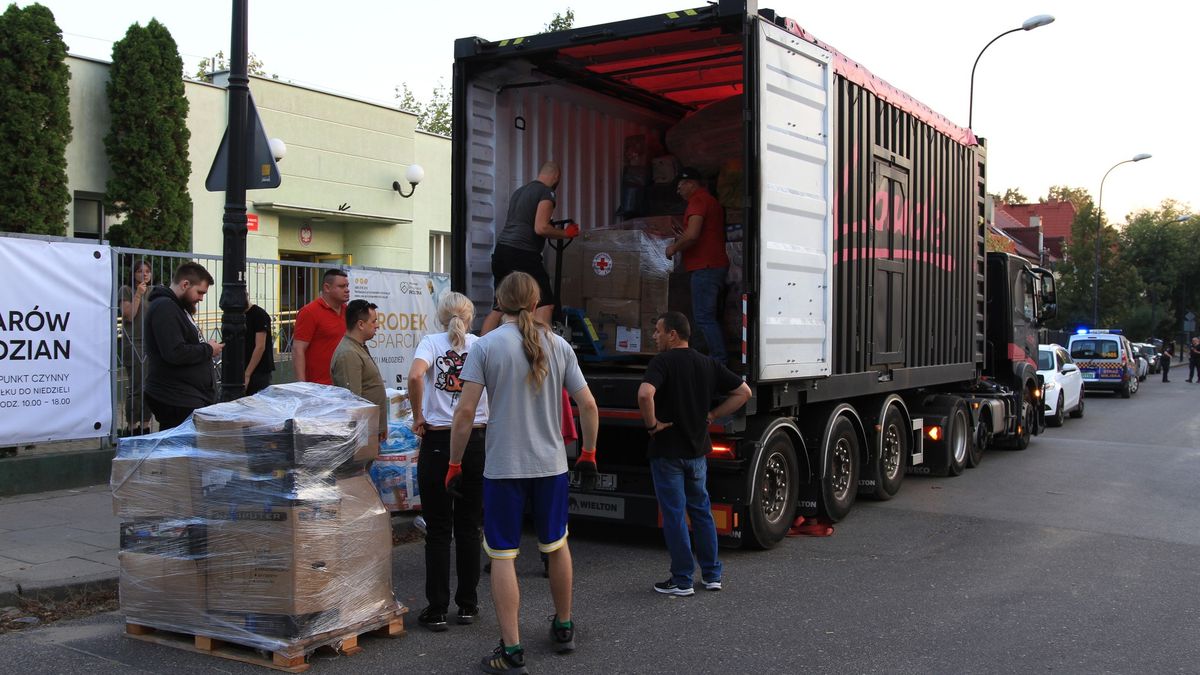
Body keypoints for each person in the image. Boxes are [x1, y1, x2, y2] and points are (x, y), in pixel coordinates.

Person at [448, 271, 599, 674]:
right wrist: (587, 452)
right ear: (535, 303)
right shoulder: (560, 345)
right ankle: (563, 627)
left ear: (501, 303)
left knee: (502, 555)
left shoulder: (486, 347)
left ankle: (512, 650)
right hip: (551, 466)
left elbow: (464, 413)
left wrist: (454, 462)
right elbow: (588, 406)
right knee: (556, 544)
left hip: (503, 467)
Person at [637, 311, 751, 596]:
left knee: (674, 515)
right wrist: (713, 414)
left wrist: (652, 426)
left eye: (658, 331)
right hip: (697, 452)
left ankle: (682, 579)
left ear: (673, 334)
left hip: (667, 452)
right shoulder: (708, 363)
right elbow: (743, 392)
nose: (655, 336)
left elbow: (644, 394)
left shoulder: (661, 362)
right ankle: (712, 574)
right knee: (702, 512)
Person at [408, 292, 489, 632]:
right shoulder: (482, 345)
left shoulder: (431, 342)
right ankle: (468, 605)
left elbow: (415, 377)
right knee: (469, 527)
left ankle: (437, 608)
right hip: (476, 438)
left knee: (439, 529)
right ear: (470, 317)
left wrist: (417, 416)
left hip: (439, 439)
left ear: (441, 316)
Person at [481, 161, 579, 334]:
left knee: (500, 306)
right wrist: (566, 234)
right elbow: (540, 227)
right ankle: (543, 352)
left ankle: (481, 351)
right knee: (545, 303)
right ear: (556, 176)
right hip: (522, 253)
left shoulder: (519, 192)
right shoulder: (546, 192)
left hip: (502, 251)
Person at [143, 262, 223, 430]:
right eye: (200, 292)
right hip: (176, 397)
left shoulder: (177, 308)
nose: (201, 298)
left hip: (184, 396)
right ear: (185, 284)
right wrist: (208, 349)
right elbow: (175, 352)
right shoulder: (165, 307)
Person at [666, 167, 729, 364]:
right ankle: (709, 358)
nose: (678, 191)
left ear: (691, 184)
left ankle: (718, 360)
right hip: (713, 265)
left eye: (680, 186)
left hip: (706, 267)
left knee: (703, 317)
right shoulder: (711, 201)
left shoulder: (698, 201)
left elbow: (692, 234)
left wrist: (673, 248)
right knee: (707, 316)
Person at [330, 300, 388, 443]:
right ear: (361, 324)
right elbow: (353, 402)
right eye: (373, 321)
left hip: (370, 429)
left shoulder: (357, 347)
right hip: (362, 434)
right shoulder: (348, 353)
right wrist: (363, 440)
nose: (377, 325)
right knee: (361, 466)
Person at [293, 268, 350, 384]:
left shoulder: (348, 311)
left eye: (347, 286)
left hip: (345, 384)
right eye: (341, 286)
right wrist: (302, 385)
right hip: (319, 386)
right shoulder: (309, 312)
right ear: (327, 288)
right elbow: (298, 349)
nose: (347, 290)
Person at [119, 259, 154, 434]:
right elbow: (129, 315)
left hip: (150, 345)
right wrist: (138, 295)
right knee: (136, 386)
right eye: (140, 271)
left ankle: (146, 424)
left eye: (147, 271)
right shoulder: (126, 290)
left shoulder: (154, 292)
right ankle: (132, 426)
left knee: (149, 386)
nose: (145, 274)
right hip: (134, 343)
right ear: (134, 274)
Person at [243, 302, 275, 395]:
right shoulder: (238, 314)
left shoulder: (259, 314)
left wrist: (247, 374)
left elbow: (260, 347)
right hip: (244, 367)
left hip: (259, 371)